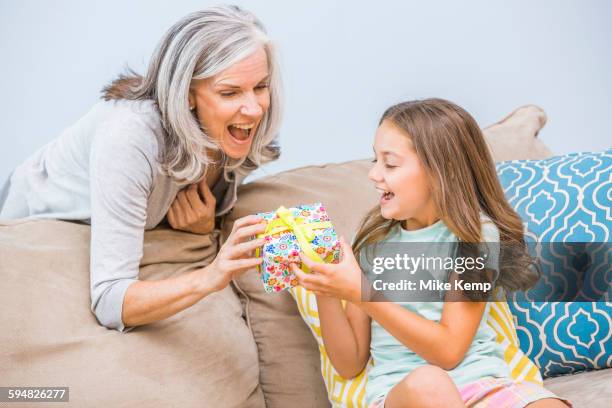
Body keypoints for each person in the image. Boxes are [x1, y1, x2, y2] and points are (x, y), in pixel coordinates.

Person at [0, 5, 278, 332]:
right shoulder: (129, 138)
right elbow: (109, 301)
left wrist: (206, 225)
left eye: (260, 86)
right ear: (187, 95)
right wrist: (212, 276)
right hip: (31, 226)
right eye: (229, 92)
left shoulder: (240, 129)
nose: (254, 108)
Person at [291, 99, 570, 407]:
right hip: (405, 395)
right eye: (375, 160)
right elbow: (349, 364)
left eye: (390, 164)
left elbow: (449, 350)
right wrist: (325, 287)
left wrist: (361, 293)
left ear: (442, 171)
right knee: (430, 383)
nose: (374, 174)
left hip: (482, 388)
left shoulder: (475, 238)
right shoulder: (372, 244)